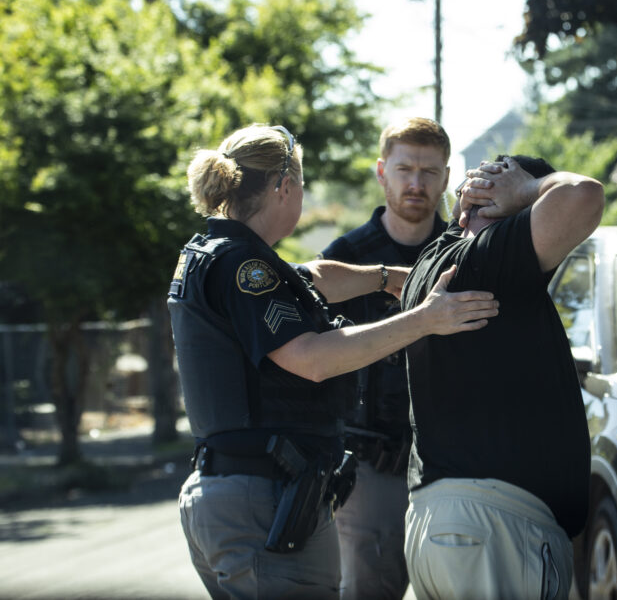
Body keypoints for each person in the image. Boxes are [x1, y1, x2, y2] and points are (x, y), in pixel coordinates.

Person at [168, 123, 498, 599]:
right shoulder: (245, 266)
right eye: (300, 183)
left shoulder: (216, 252)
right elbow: (313, 358)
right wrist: (426, 319)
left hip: (233, 495)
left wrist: (386, 277)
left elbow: (313, 276)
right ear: (285, 187)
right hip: (261, 498)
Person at [400, 154, 605, 600]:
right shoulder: (488, 261)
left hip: (439, 525)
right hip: (492, 529)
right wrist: (529, 190)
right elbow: (585, 196)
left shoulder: (434, 259)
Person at [317, 116, 450, 599]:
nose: (416, 183)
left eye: (429, 172)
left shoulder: (468, 253)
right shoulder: (345, 259)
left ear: (447, 178)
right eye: (404, 169)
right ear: (381, 172)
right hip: (371, 470)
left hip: (453, 463)